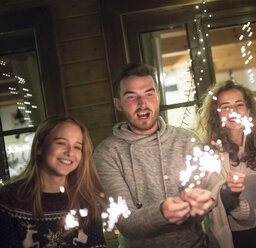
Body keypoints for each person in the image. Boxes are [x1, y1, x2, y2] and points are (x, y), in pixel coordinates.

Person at [93, 63, 214, 247]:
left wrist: (201, 204)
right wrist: (162, 212)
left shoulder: (187, 139)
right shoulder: (107, 153)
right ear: (118, 103)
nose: (142, 104)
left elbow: (206, 200)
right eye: (132, 96)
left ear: (157, 97)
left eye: (149, 94)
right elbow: (125, 223)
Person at [198, 80, 256, 248]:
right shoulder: (208, 155)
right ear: (216, 113)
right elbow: (211, 207)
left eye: (239, 104)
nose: (233, 111)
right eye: (225, 107)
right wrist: (228, 191)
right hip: (231, 240)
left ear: (248, 110)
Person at [0, 116, 106, 247]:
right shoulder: (9, 200)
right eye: (61, 143)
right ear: (39, 147)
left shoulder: (88, 201)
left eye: (77, 147)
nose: (70, 152)